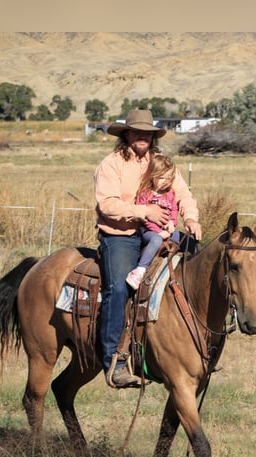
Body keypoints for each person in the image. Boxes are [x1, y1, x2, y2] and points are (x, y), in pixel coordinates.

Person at [94, 109, 202, 388]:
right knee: (119, 287)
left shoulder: (162, 163)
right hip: (122, 235)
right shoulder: (111, 164)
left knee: (201, 261)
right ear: (126, 134)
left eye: (147, 133)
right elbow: (107, 204)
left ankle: (194, 346)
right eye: (136, 132)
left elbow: (183, 194)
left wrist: (191, 218)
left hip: (159, 231)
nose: (142, 137)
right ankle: (114, 361)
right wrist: (145, 212)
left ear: (153, 137)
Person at [126, 153, 185, 290]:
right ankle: (140, 270)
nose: (166, 181)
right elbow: (145, 217)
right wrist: (159, 232)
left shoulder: (170, 193)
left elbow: (174, 209)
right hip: (148, 231)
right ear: (152, 176)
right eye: (161, 178)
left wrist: (172, 223)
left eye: (169, 178)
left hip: (166, 230)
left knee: (185, 240)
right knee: (156, 241)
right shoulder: (145, 193)